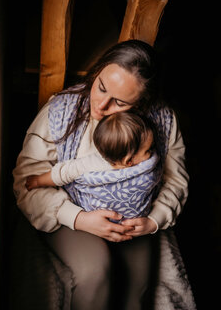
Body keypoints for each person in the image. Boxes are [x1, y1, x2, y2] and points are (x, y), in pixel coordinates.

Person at [13, 39, 189, 310]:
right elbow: (28, 179)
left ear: (142, 104)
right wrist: (79, 219)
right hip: (73, 208)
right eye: (101, 87)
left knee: (137, 286)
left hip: (133, 217)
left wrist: (153, 220)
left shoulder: (163, 120)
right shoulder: (63, 110)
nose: (100, 105)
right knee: (94, 273)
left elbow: (175, 179)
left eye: (119, 102)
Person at [25, 111, 160, 221]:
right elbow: (64, 172)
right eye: (147, 150)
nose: (152, 153)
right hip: (96, 218)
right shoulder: (93, 163)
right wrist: (38, 180)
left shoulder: (143, 164)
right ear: (128, 161)